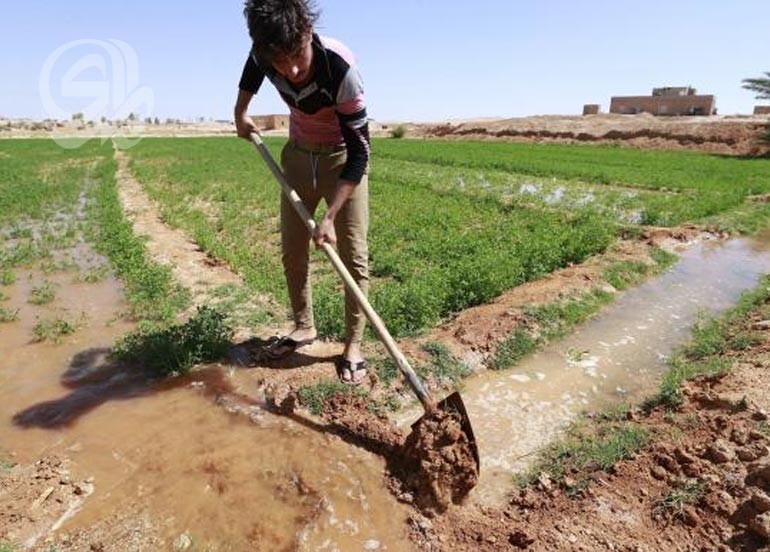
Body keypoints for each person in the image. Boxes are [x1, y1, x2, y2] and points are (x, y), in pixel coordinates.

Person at [234, 0, 371, 385]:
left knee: (353, 256)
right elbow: (252, 67)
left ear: (308, 33)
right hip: (297, 157)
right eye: (280, 61)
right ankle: (303, 327)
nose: (291, 70)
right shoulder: (268, 51)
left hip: (342, 160)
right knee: (293, 250)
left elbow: (361, 151)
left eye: (297, 55)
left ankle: (354, 344)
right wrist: (240, 110)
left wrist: (329, 217)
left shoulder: (340, 70)